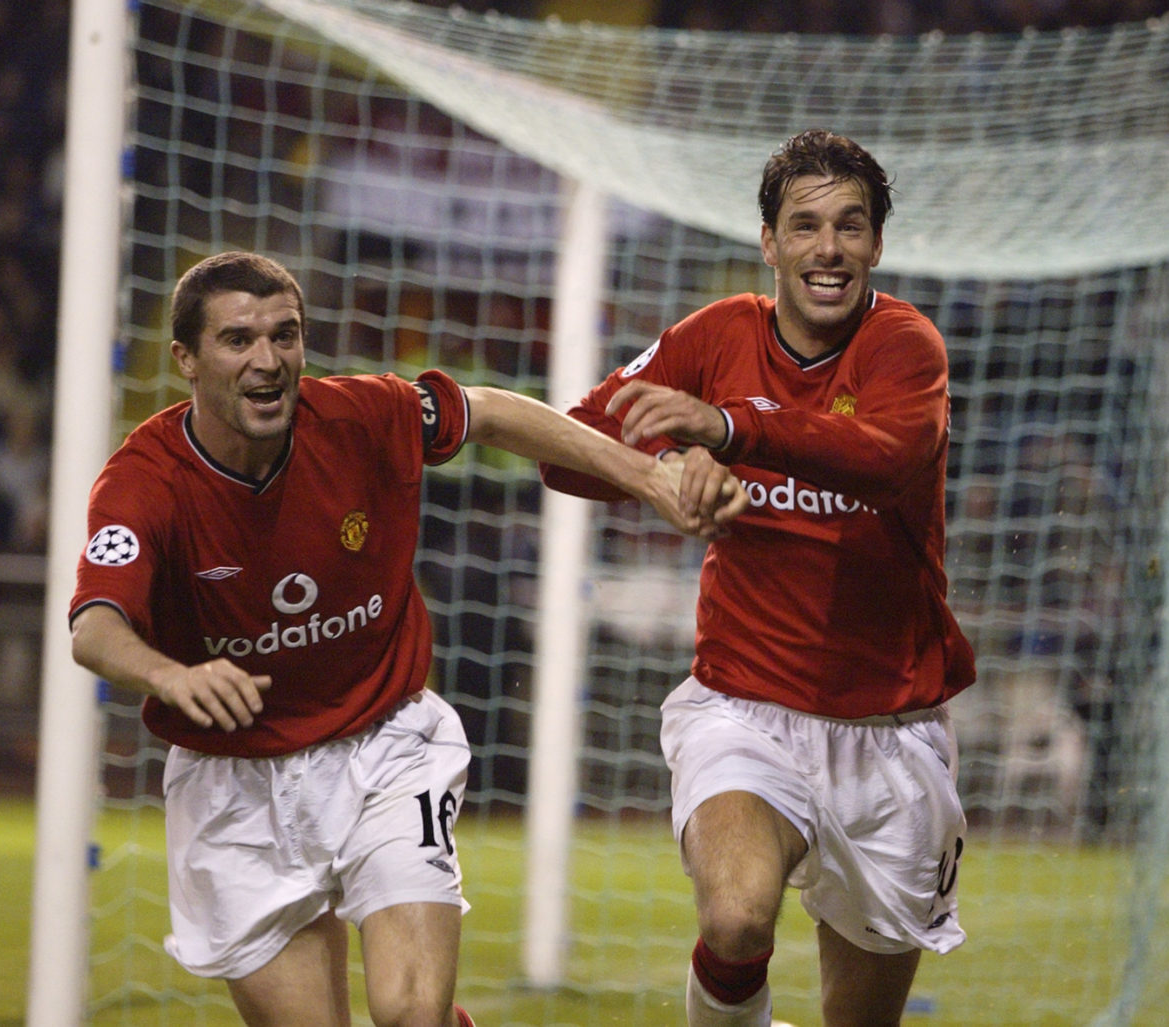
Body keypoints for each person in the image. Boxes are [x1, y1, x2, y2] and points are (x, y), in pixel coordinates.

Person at [68, 251, 747, 1027]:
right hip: (235, 786)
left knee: (411, 1013)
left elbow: (487, 409)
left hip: (383, 746)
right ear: (186, 358)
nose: (268, 361)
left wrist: (645, 475)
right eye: (238, 340)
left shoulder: (364, 417)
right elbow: (94, 627)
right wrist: (170, 676)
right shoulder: (142, 482)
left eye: (285, 335)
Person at [540, 129, 977, 1026]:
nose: (829, 249)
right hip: (744, 710)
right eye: (805, 225)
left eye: (850, 227)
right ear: (768, 242)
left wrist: (729, 430)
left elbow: (886, 457)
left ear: (877, 246)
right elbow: (574, 454)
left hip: (889, 730)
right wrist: (665, 475)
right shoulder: (715, 336)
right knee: (737, 917)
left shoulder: (905, 346)